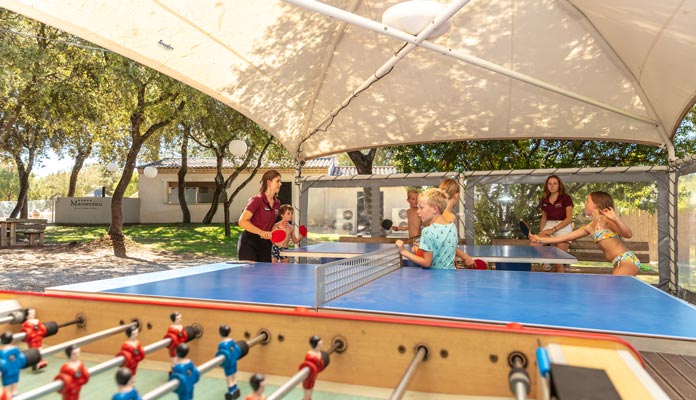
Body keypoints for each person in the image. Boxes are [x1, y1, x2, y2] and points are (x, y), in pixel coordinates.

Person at [530, 191, 642, 276]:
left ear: (597, 204)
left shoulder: (606, 220)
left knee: (611, 294)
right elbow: (563, 238)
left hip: (627, 260)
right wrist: (540, 239)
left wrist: (616, 219)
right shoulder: (589, 227)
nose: (585, 204)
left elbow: (628, 234)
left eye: (587, 201)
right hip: (617, 262)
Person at [395, 188, 458, 269]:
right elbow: (441, 250)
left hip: (436, 279)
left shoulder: (427, 231)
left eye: (421, 208)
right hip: (451, 277)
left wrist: (403, 251)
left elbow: (426, 263)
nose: (418, 211)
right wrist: (422, 247)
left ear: (435, 209)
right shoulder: (452, 227)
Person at [238, 170, 282, 262]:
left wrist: (274, 231)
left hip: (265, 242)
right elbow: (242, 221)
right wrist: (261, 232)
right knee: (250, 274)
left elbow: (271, 224)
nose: (280, 184)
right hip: (249, 241)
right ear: (269, 182)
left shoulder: (277, 203)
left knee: (265, 273)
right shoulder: (257, 200)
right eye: (277, 181)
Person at [534, 175, 574, 272]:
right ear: (547, 186)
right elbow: (544, 218)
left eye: (555, 183)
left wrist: (553, 229)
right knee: (535, 242)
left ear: (559, 185)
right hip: (549, 224)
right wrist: (542, 231)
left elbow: (569, 218)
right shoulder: (544, 199)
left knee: (558, 262)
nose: (552, 186)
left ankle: (560, 286)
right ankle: (546, 260)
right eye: (550, 184)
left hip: (563, 225)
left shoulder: (566, 198)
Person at [438, 178, 477, 268]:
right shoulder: (450, 216)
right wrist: (466, 257)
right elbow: (447, 244)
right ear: (457, 194)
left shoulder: (437, 214)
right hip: (445, 266)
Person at [216, 325, 242, 400]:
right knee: (234, 377)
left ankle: (231, 392)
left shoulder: (221, 344)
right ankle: (235, 390)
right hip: (234, 362)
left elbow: (219, 354)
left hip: (228, 364)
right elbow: (236, 350)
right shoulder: (231, 341)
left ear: (220, 333)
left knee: (229, 378)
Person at [0, 331, 26, 396]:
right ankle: (15, 394)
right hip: (16, 371)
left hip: (7, 374)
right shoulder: (16, 349)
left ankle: (8, 397)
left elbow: (2, 364)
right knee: (14, 386)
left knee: (7, 389)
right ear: (11, 340)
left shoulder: (1, 352)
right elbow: (22, 359)